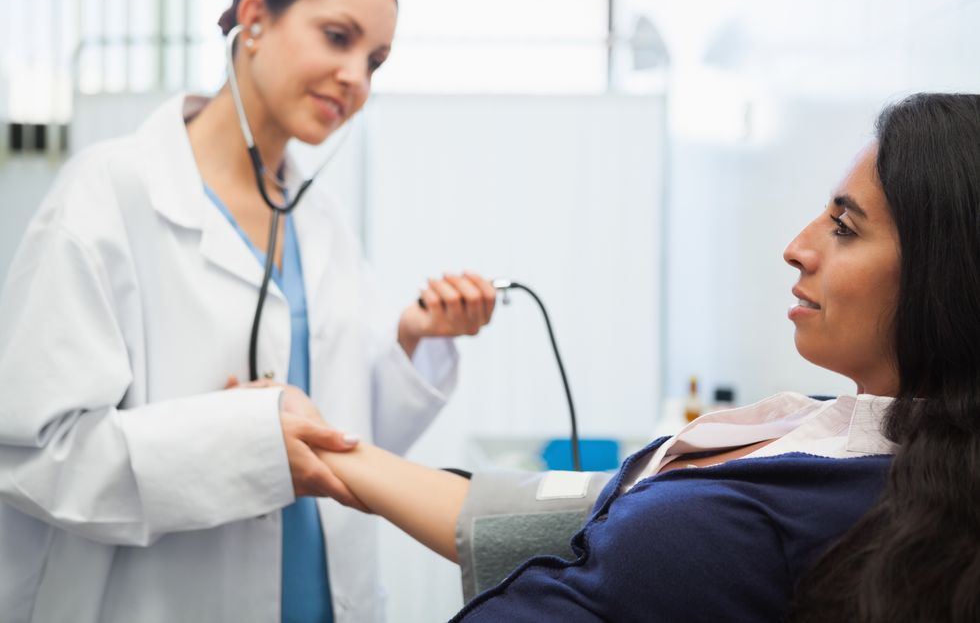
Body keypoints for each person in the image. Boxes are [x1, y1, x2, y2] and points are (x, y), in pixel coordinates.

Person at [302, 93, 980, 622]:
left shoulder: (890, 513)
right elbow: (541, 515)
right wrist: (330, 453)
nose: (798, 247)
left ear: (944, 274)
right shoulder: (813, 430)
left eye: (844, 227)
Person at [0, 0, 497, 622]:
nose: (357, 78)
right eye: (338, 37)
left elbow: (349, 430)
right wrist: (231, 438)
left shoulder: (323, 223)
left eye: (374, 61)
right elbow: (35, 458)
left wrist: (410, 339)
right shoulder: (110, 193)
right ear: (255, 19)